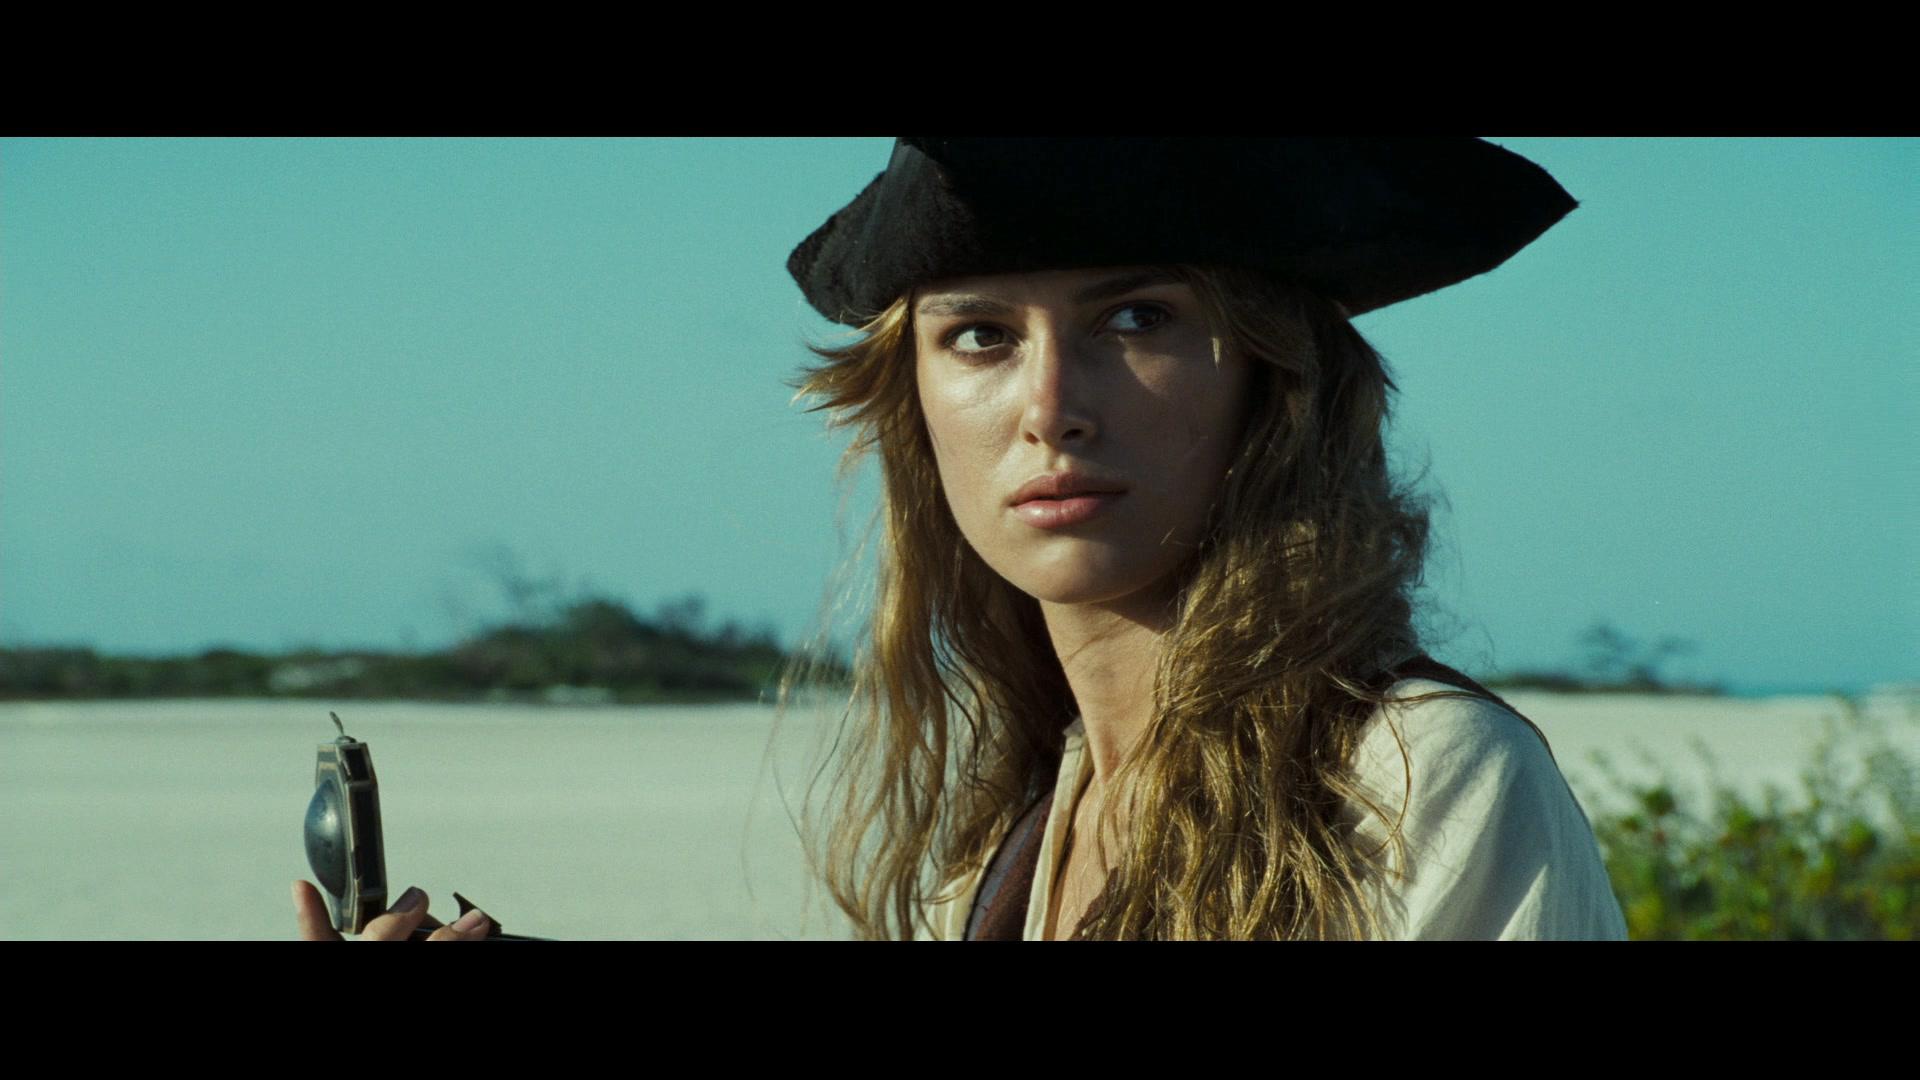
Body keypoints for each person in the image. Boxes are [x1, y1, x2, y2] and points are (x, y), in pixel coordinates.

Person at [294, 137, 1629, 941]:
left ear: (1273, 380)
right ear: (916, 403)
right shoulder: (1009, 836)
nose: (1051, 407)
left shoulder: (1413, 783)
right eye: (981, 335)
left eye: (1139, 320)